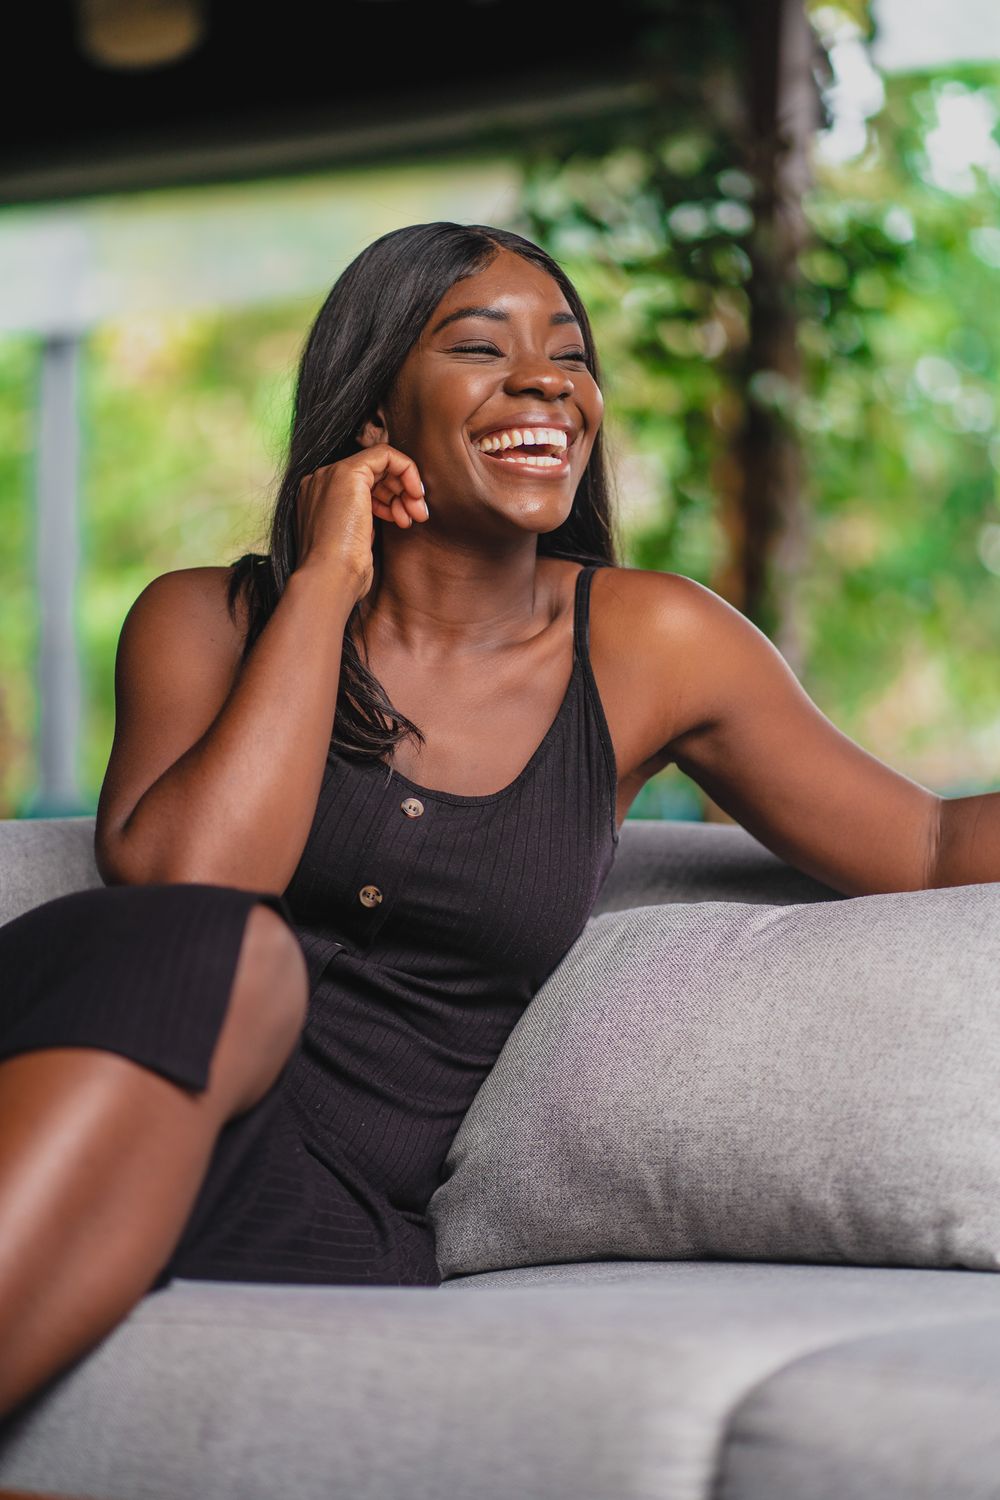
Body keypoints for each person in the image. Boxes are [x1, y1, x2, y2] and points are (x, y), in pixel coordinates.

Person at [0, 218, 974, 1424]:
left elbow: (926, 845)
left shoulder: (648, 641)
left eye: (569, 356)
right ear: (373, 413)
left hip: (323, 1209)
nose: (546, 382)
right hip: (70, 1090)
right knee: (222, 944)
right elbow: (193, 880)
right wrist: (324, 582)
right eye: (481, 347)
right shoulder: (209, 618)